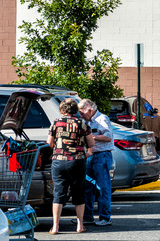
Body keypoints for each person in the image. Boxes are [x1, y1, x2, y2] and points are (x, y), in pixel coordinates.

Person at [47, 97, 95, 235]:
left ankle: (55, 227)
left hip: (59, 161)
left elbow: (49, 142)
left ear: (62, 110)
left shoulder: (56, 122)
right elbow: (91, 143)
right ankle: (80, 225)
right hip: (77, 161)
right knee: (78, 192)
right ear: (75, 110)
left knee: (58, 193)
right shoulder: (82, 123)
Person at [78, 99, 114, 226]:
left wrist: (90, 137)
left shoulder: (102, 119)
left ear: (89, 109)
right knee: (87, 187)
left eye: (82, 113)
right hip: (90, 155)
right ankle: (88, 216)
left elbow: (108, 136)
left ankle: (105, 217)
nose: (80, 116)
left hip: (101, 155)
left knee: (102, 187)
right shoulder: (86, 121)